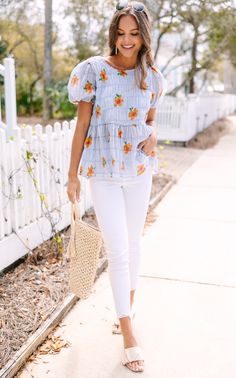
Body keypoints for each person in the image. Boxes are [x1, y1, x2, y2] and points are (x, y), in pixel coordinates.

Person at [67, 1, 166, 373]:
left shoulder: (152, 76)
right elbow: (81, 126)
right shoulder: (93, 71)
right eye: (121, 33)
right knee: (119, 249)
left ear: (144, 36)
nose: (127, 40)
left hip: (139, 169)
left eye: (134, 33)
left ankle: (127, 308)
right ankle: (128, 331)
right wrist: (72, 175)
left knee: (135, 242)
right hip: (104, 171)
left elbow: (151, 119)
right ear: (113, 34)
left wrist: (154, 135)